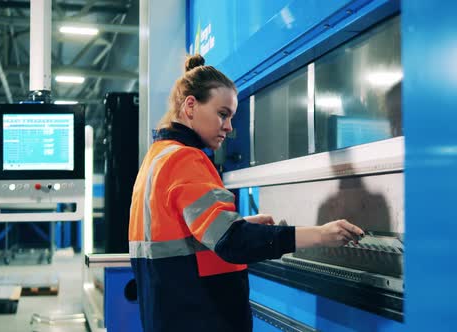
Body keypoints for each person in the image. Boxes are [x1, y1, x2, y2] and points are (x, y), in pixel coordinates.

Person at [128, 54, 364, 332]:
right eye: (222, 114)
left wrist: (241, 225)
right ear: (190, 106)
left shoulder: (157, 158)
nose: (228, 127)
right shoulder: (185, 160)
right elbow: (233, 243)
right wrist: (321, 235)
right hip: (199, 317)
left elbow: (183, 236)